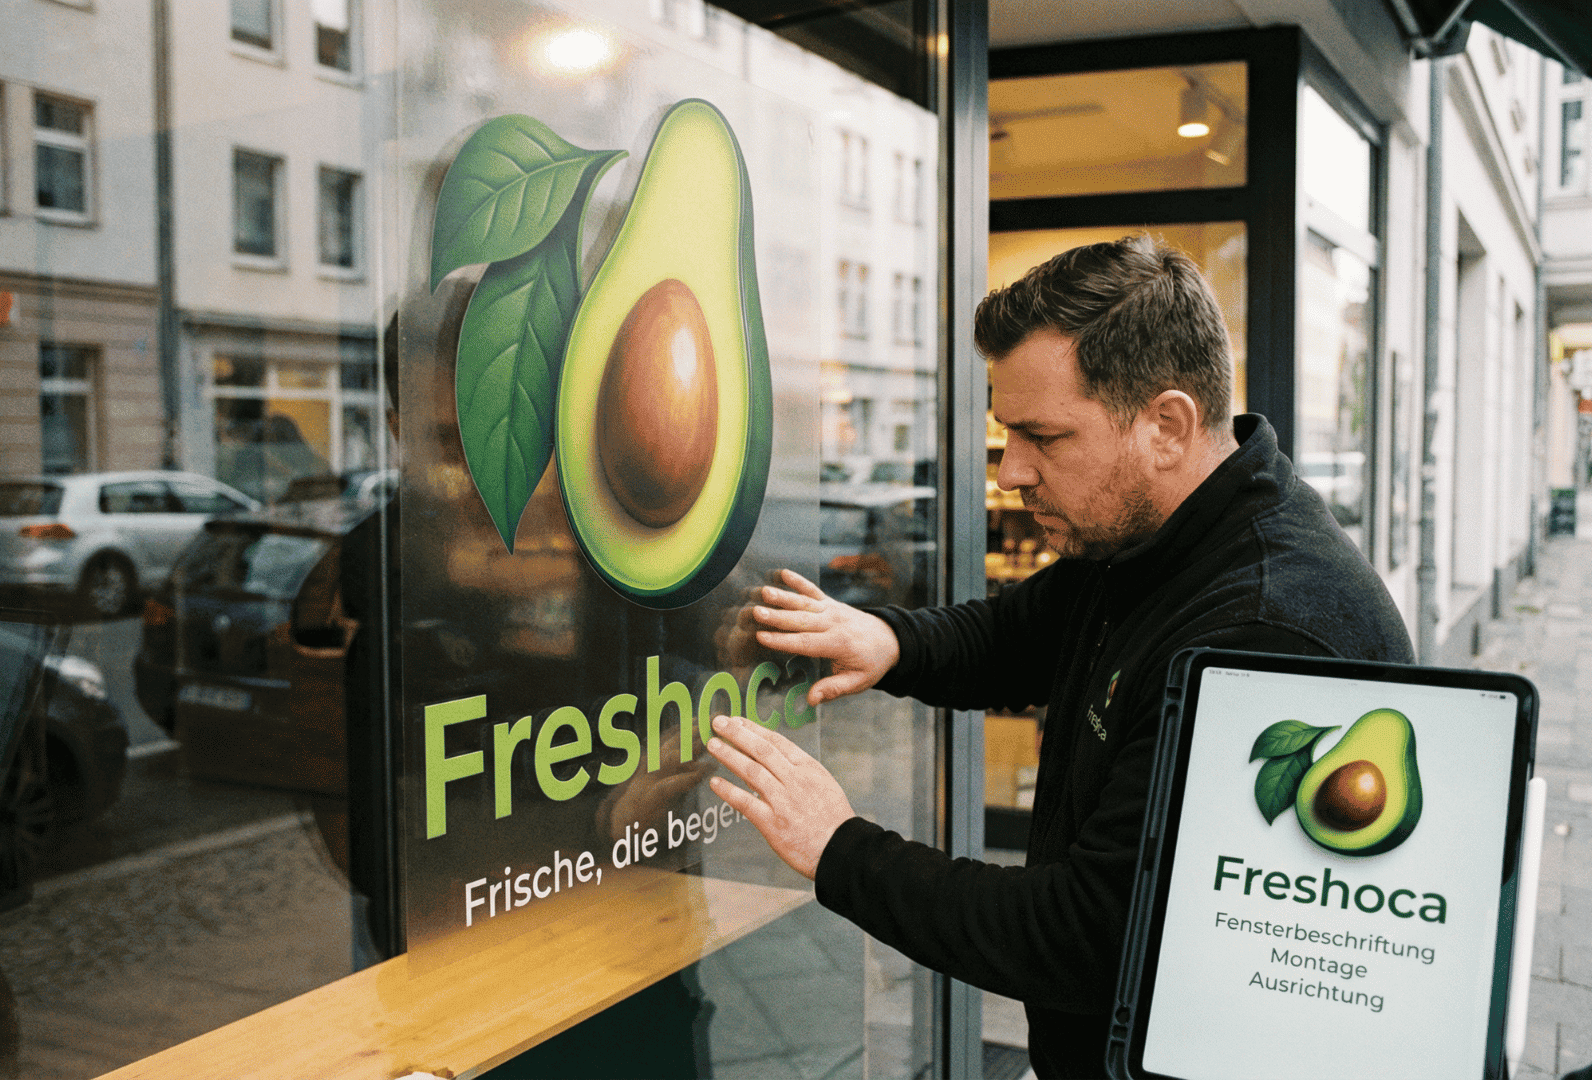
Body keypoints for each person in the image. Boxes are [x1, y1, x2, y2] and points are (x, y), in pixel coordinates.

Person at [704, 235, 1415, 1079]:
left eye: (1044, 437)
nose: (1011, 473)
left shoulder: (1264, 636)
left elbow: (1084, 932)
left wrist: (838, 848)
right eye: (1009, 436)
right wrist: (890, 641)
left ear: (1167, 424)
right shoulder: (1154, 538)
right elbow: (1016, 637)